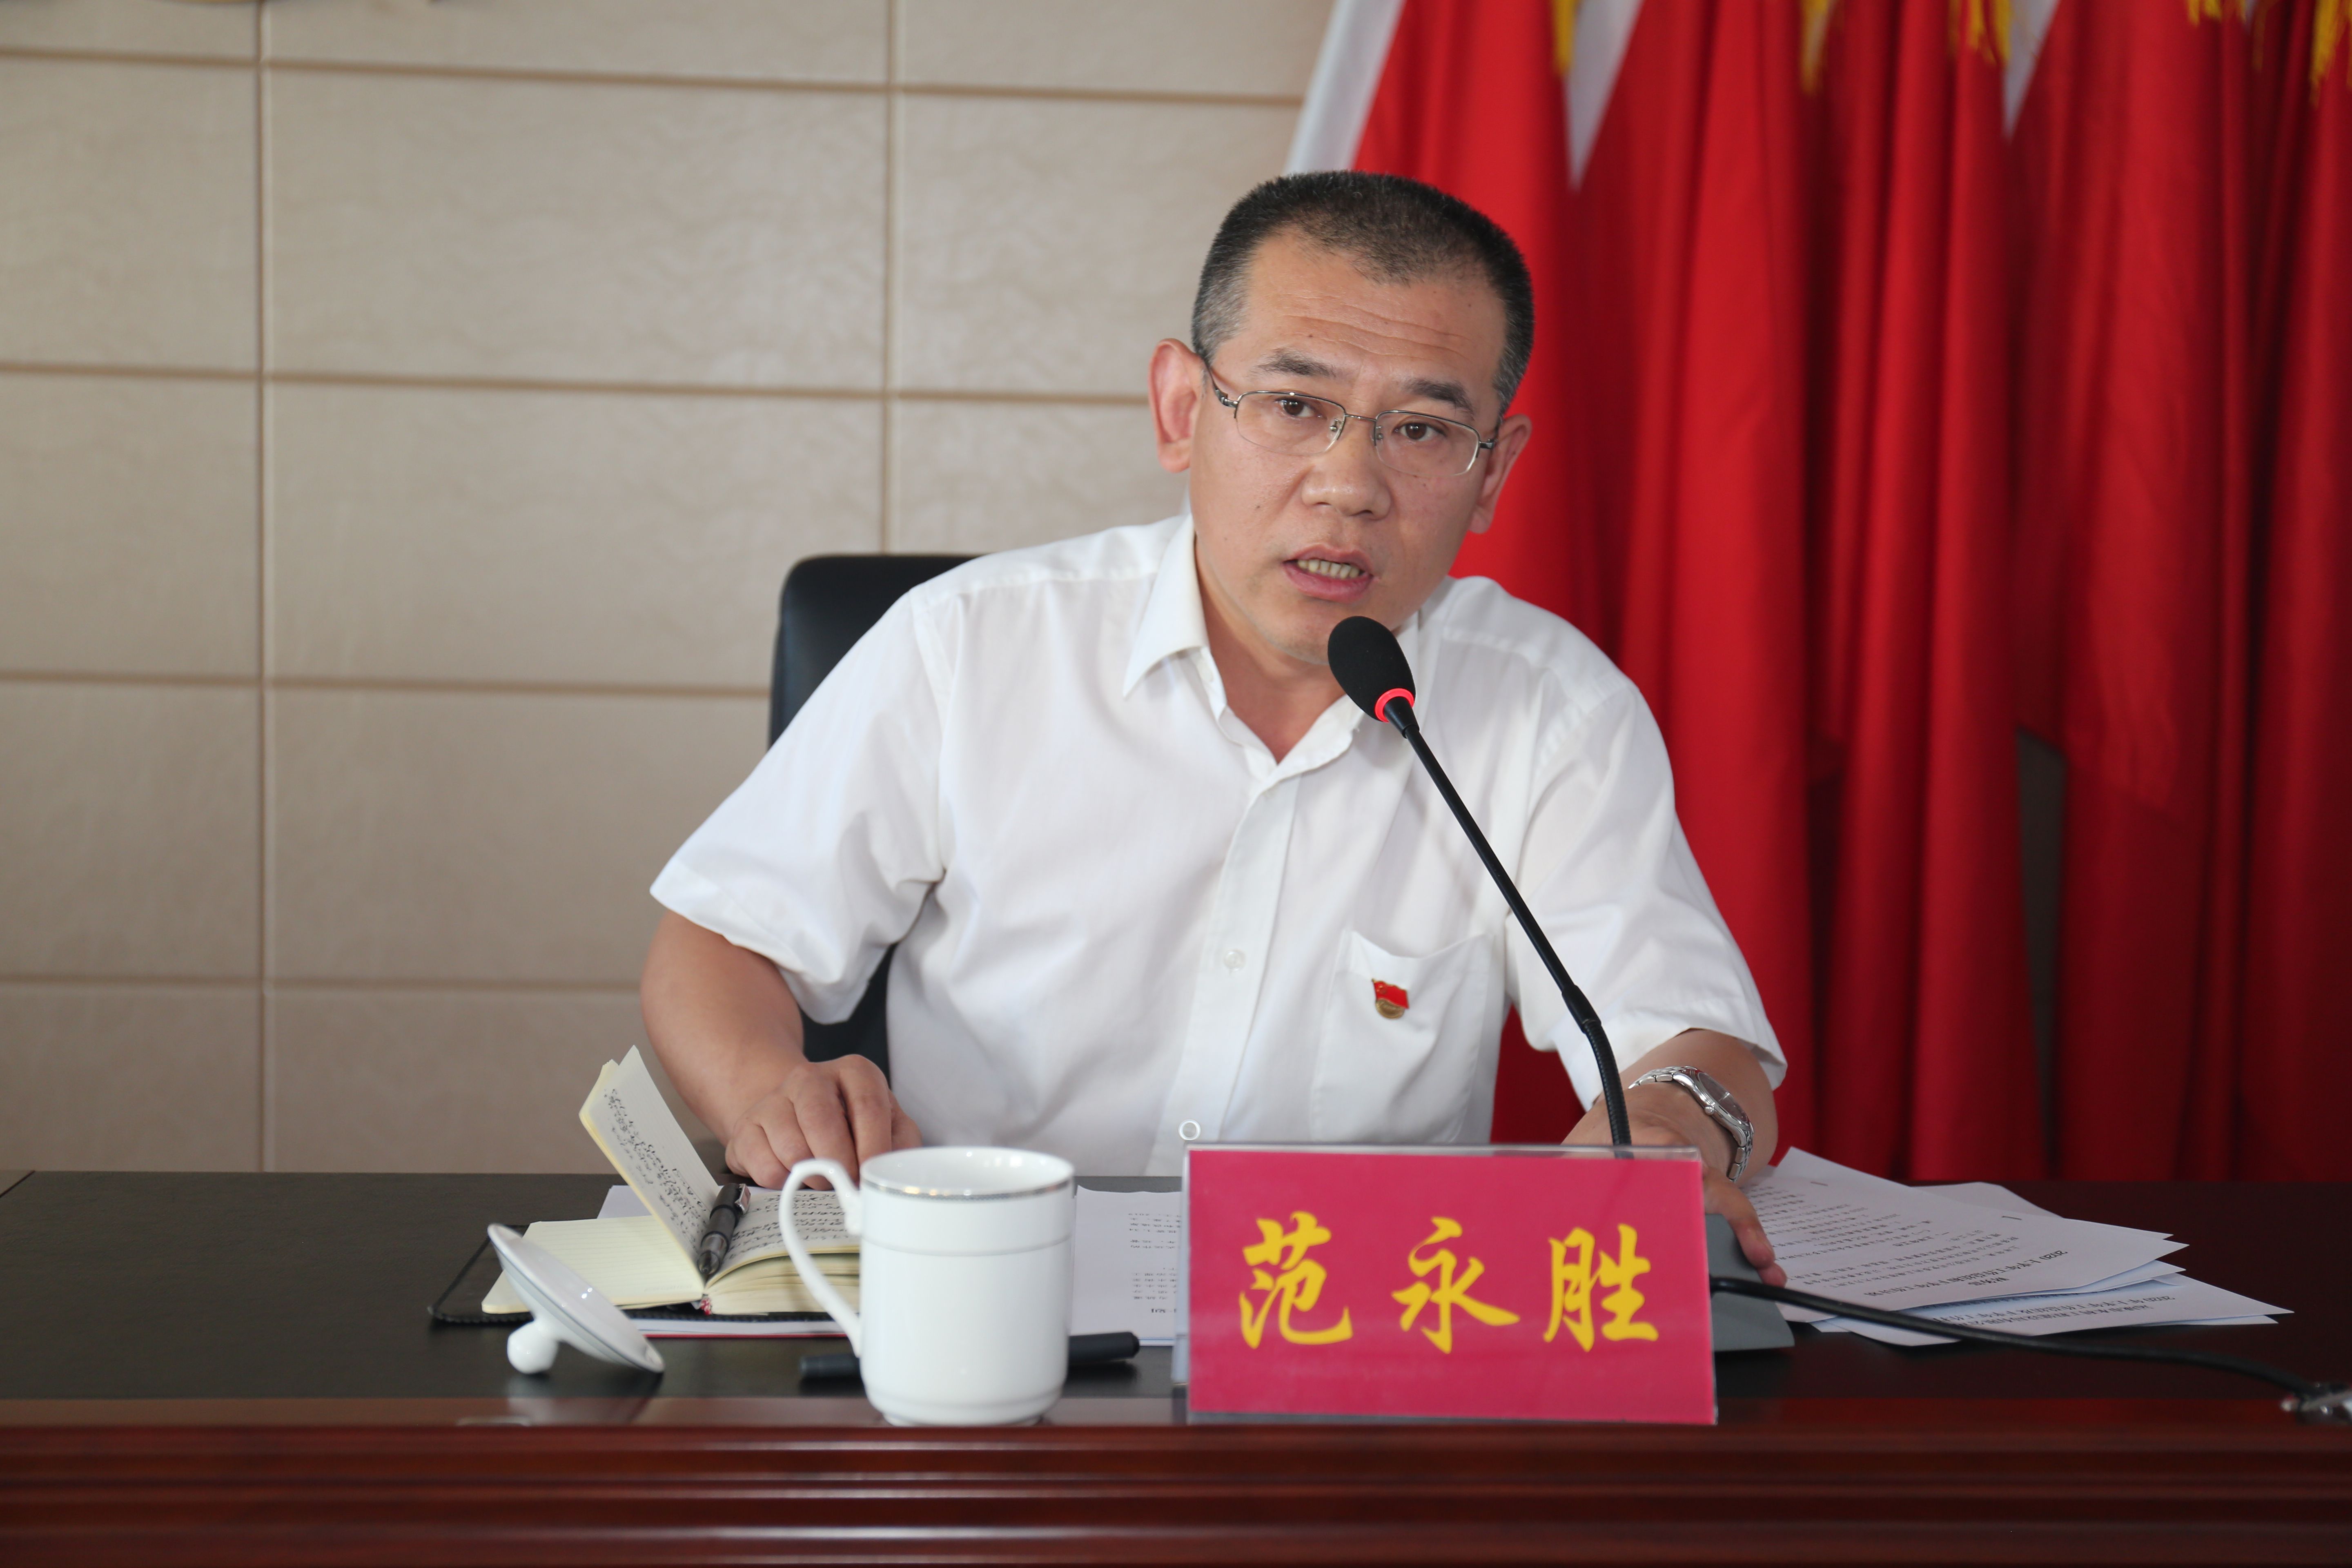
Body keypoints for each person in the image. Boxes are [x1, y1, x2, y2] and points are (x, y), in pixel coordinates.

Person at [641, 172, 1786, 1283]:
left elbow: (1700, 1045)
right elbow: (722, 940)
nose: (1349, 484)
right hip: (988, 1301)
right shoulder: (970, 646)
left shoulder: (1550, 709)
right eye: (1295, 407)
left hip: (1353, 1335)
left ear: (1494, 472)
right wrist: (767, 1092)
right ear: (1183, 410)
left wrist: (1669, 1132)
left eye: (1424, 430)